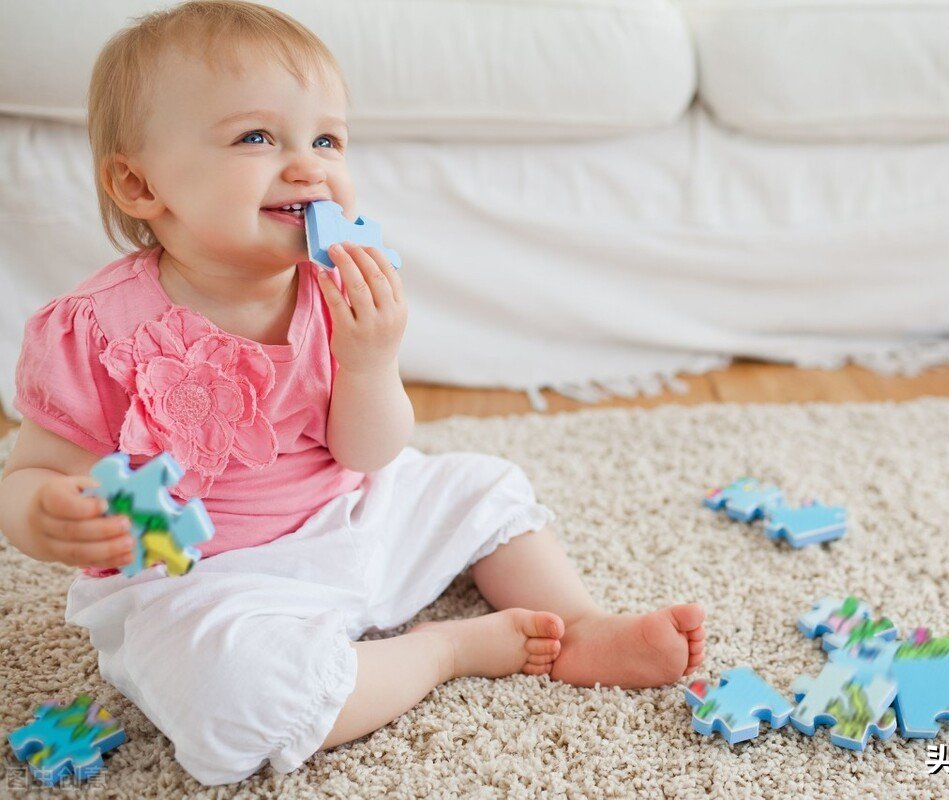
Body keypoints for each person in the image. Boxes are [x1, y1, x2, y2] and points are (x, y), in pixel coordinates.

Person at [0, 1, 705, 786]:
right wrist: (43, 513)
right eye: (256, 138)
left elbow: (369, 454)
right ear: (140, 184)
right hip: (207, 581)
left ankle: (579, 624)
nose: (309, 165)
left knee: (483, 486)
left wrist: (372, 361)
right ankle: (441, 650)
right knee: (235, 697)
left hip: (351, 515)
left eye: (327, 138)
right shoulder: (97, 331)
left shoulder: (332, 287)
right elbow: (31, 471)